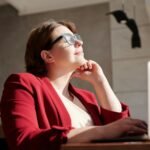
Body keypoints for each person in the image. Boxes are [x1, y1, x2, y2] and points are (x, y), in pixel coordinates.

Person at [0, 19, 147, 150]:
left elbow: (121, 131)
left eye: (77, 37)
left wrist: (100, 82)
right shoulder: (23, 83)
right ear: (47, 56)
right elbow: (23, 140)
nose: (79, 42)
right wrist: (101, 131)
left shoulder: (86, 97)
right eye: (68, 39)